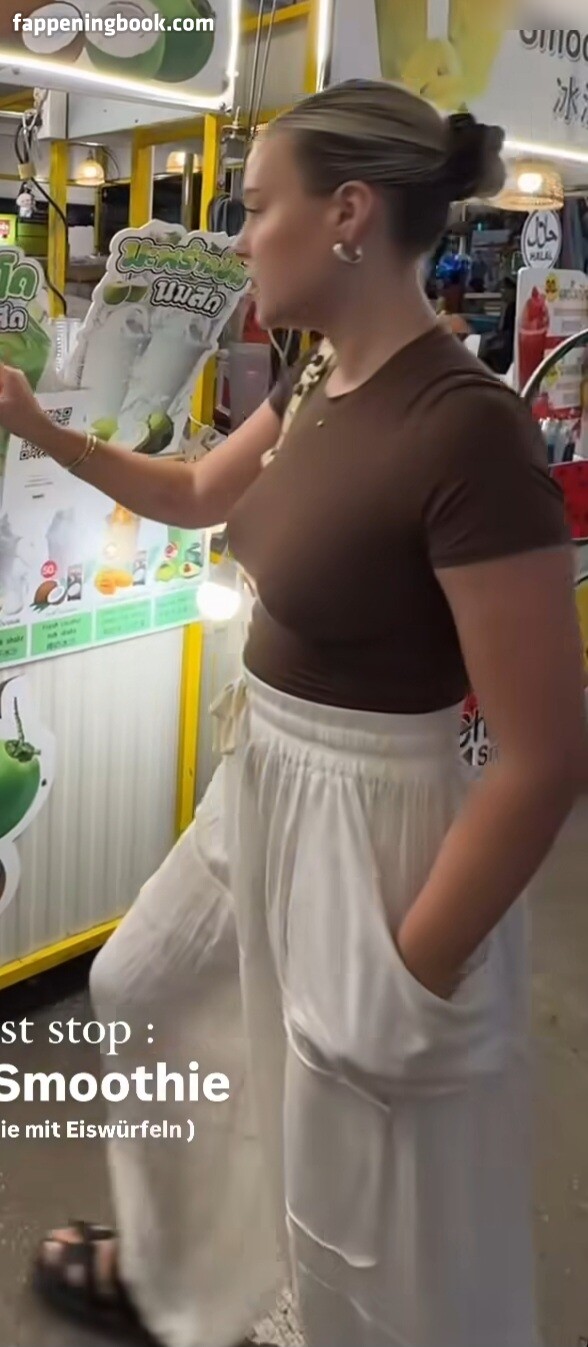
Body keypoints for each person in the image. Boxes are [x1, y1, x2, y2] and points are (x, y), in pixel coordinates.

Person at [0, 79, 586, 1347]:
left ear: (348, 215)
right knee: (142, 984)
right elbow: (200, 492)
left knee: (355, 1165)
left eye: (257, 207)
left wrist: (412, 974)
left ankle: (296, 1310)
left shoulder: (468, 432)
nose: (239, 237)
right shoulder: (321, 374)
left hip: (373, 816)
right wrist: (41, 428)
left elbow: (543, 757)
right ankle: (197, 1270)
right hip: (261, 771)